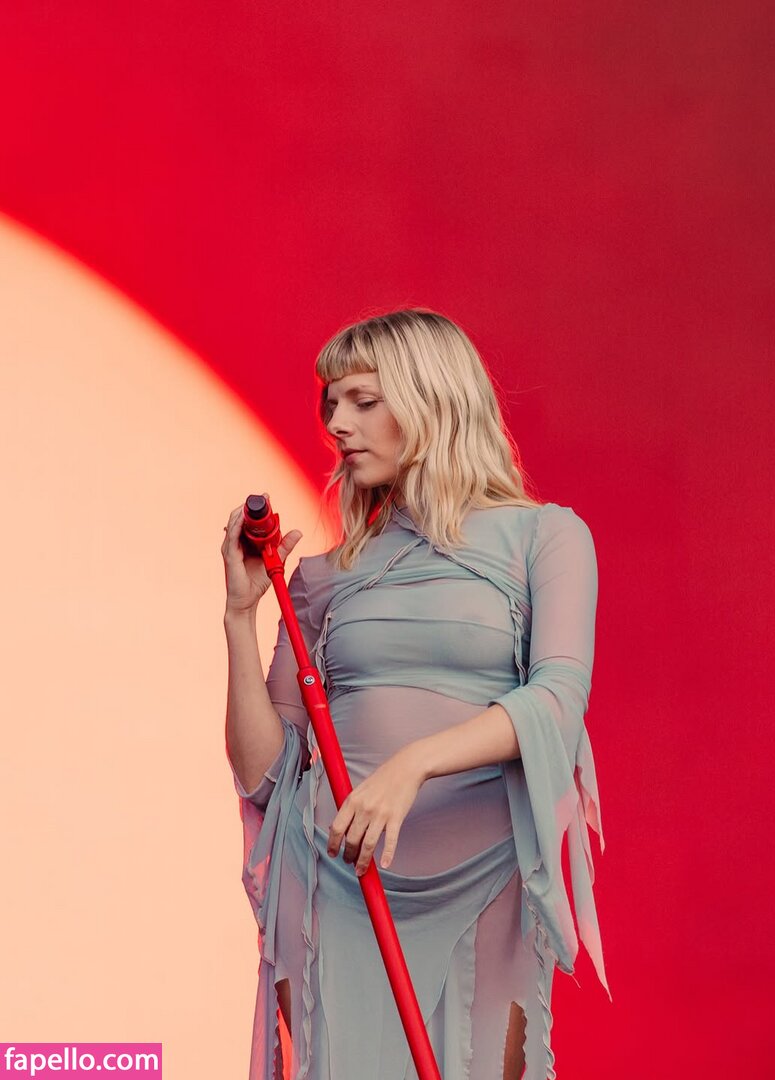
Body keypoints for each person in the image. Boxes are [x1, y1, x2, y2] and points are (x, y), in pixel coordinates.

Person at [221, 308, 611, 1080]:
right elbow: (264, 775)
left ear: (432, 399)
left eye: (364, 401)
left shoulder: (545, 537)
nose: (337, 423)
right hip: (334, 879)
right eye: (332, 403)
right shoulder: (321, 577)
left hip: (483, 870)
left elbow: (557, 702)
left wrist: (412, 765)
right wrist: (239, 616)